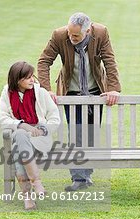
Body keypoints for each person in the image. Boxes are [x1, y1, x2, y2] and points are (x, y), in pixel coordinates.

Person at [38, 12, 121, 191]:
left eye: (75, 35)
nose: (71, 37)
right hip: (71, 92)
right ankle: (78, 178)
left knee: (91, 134)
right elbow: (44, 61)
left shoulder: (101, 33)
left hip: (95, 92)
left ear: (88, 30)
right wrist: (47, 90)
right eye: (70, 33)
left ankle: (86, 175)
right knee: (76, 134)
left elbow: (109, 61)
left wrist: (113, 88)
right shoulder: (59, 35)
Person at [0, 61, 61, 210]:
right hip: (22, 138)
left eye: (32, 76)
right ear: (17, 79)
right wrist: (21, 124)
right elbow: (1, 117)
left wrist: (43, 130)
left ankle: (28, 197)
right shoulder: (7, 93)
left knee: (18, 149)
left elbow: (54, 118)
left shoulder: (41, 93)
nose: (32, 80)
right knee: (20, 137)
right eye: (27, 77)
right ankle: (36, 183)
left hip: (40, 139)